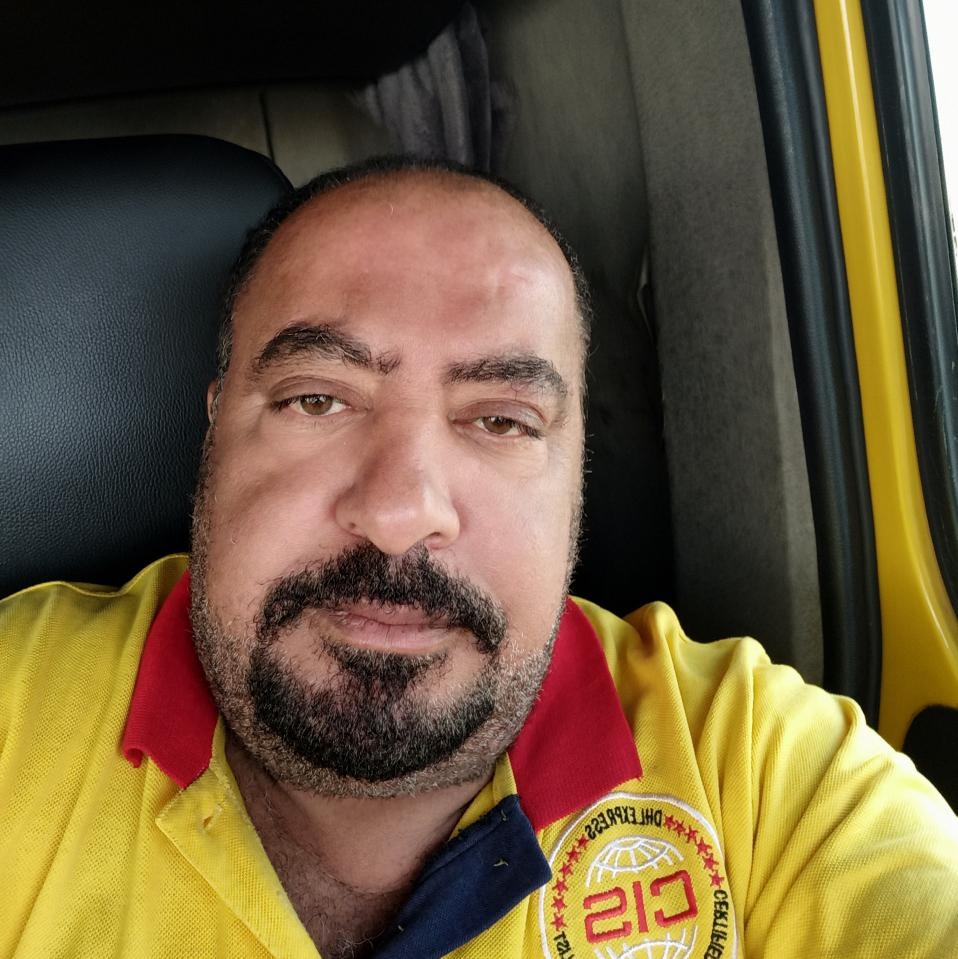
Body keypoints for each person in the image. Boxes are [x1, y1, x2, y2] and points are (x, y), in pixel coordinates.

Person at [1, 156, 956, 959]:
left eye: (501, 420)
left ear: (577, 476)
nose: (398, 513)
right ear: (215, 430)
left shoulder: (765, 775)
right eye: (316, 399)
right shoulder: (17, 709)